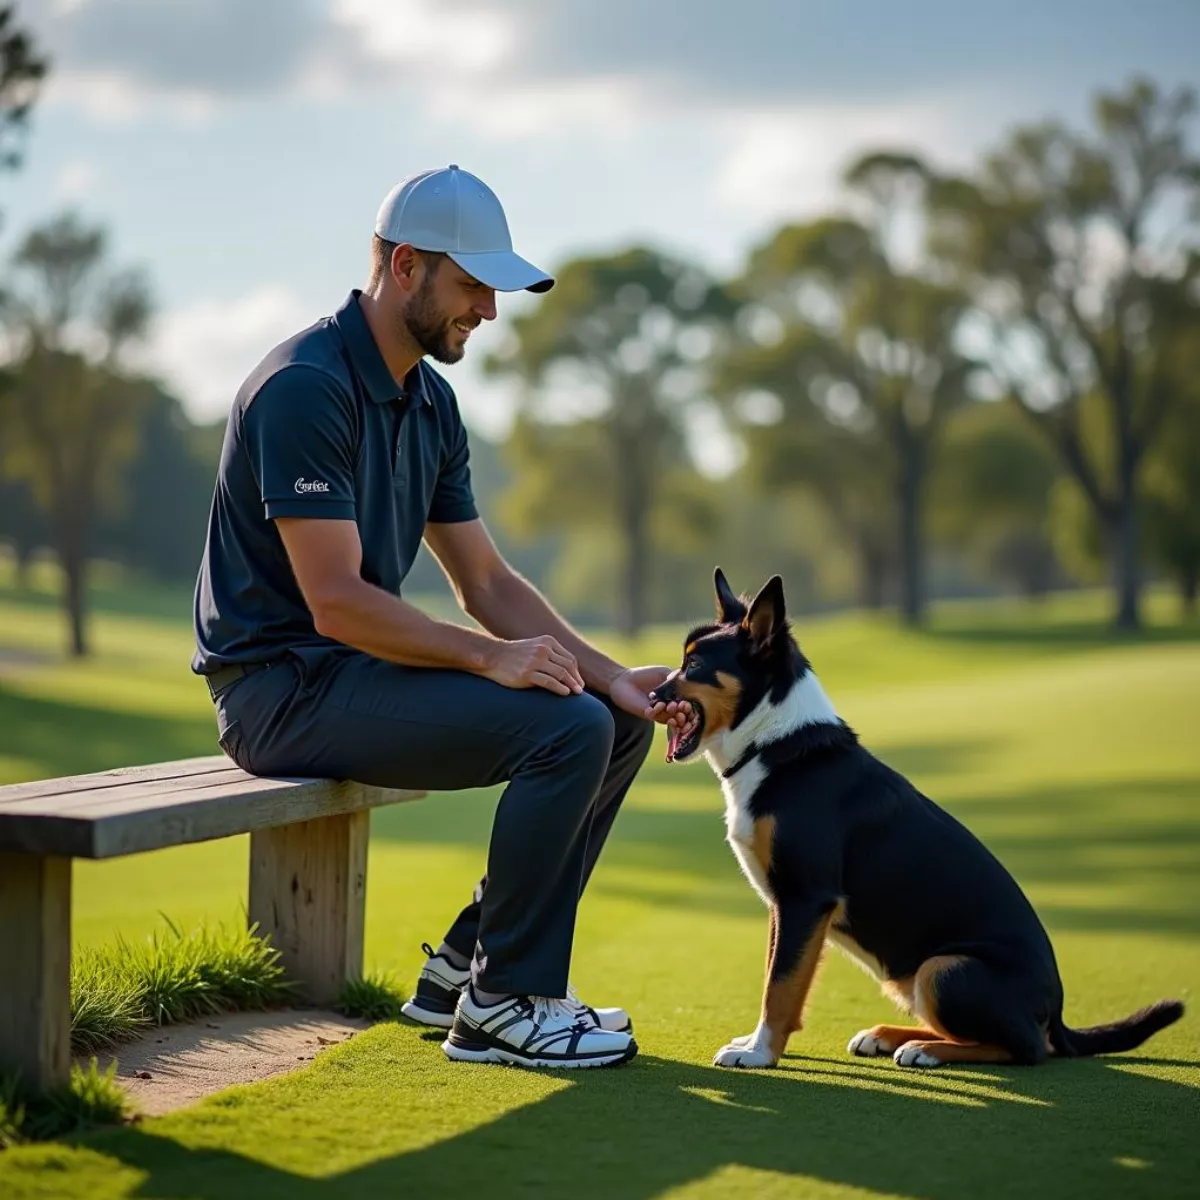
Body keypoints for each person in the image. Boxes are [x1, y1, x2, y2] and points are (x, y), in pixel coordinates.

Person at [192, 165, 690, 1070]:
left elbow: (488, 581)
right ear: (406, 266)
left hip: (345, 675)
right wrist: (485, 661)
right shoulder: (306, 386)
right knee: (566, 732)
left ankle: (467, 965)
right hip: (277, 691)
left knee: (607, 716)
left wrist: (614, 674)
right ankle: (504, 1004)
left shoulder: (432, 400)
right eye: (473, 287)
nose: (490, 312)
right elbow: (335, 602)